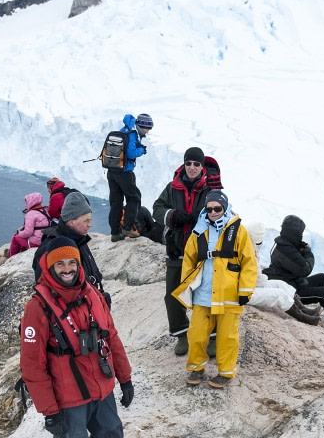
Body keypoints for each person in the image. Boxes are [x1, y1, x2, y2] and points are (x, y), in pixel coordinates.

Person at [20, 237, 134, 438]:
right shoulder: (38, 307)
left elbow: (112, 337)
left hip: (101, 385)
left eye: (72, 262)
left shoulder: (92, 294)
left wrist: (125, 378)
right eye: (60, 264)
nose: (67, 269)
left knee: (111, 437)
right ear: (49, 267)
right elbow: (32, 366)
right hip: (68, 395)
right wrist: (49, 410)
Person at [173, 191, 258, 389]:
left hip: (229, 295)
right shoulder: (199, 231)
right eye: (209, 209)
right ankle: (196, 367)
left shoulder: (239, 231)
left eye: (217, 208)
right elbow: (189, 260)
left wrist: (245, 291)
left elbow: (249, 263)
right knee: (196, 334)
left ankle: (226, 372)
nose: (213, 212)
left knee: (227, 336)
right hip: (203, 293)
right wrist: (188, 287)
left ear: (225, 208)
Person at [152, 147, 214, 354]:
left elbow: (224, 213)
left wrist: (205, 218)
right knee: (172, 295)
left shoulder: (210, 189)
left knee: (206, 294)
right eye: (189, 163)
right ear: (184, 165)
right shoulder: (173, 187)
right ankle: (181, 335)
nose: (192, 168)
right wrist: (172, 215)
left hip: (202, 254)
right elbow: (157, 209)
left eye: (196, 164)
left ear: (202, 166)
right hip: (177, 250)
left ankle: (212, 337)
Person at [263, 215, 324, 335]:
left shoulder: (286, 244)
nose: (301, 236)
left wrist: (300, 248)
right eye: (300, 233)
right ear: (294, 233)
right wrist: (308, 254)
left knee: (323, 278)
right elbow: (305, 269)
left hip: (295, 282)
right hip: (292, 291)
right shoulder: (286, 250)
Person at [33, 191, 108, 302]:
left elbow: (92, 276)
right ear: (71, 221)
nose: (90, 224)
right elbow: (47, 293)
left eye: (90, 219)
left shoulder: (80, 240)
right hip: (73, 314)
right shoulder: (52, 247)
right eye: (86, 220)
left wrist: (100, 298)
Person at [246, 222, 321, 325]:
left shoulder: (247, 249)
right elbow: (258, 280)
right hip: (243, 293)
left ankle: (304, 309)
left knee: (281, 284)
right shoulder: (246, 253)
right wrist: (264, 277)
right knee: (279, 295)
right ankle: (302, 317)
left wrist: (263, 277)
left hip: (248, 286)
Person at [108, 113, 153, 241]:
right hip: (124, 173)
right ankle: (127, 227)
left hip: (112, 171)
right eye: (148, 128)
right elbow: (130, 153)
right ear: (142, 125)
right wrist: (142, 150)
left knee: (116, 201)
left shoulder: (123, 130)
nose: (148, 131)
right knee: (134, 198)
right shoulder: (132, 134)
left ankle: (115, 233)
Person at [8, 192, 50, 257]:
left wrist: (19, 233)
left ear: (31, 201)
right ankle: (21, 252)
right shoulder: (45, 211)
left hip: (36, 242)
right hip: (45, 240)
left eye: (26, 202)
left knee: (16, 238)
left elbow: (28, 232)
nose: (25, 205)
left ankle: (11, 256)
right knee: (23, 237)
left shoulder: (30, 214)